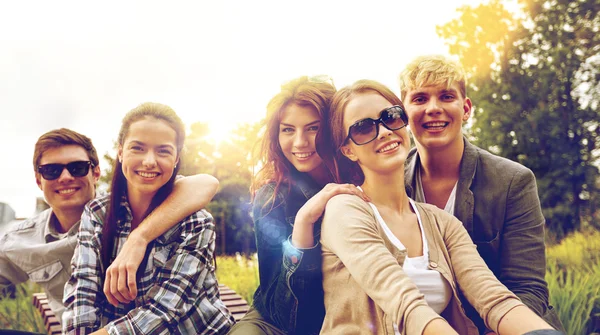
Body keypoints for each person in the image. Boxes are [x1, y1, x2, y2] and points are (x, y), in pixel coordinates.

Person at [320, 79, 559, 334]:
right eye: (363, 129)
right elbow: (406, 306)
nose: (384, 132)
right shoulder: (345, 209)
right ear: (348, 150)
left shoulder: (441, 223)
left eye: (390, 117)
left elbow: (494, 299)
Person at [398, 54, 564, 333]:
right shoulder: (391, 182)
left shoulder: (514, 181)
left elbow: (529, 289)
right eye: (420, 99)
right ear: (403, 113)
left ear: (466, 109)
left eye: (446, 96)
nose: (433, 108)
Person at [0, 127, 219, 327]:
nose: (65, 177)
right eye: (51, 171)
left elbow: (204, 184)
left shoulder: (128, 212)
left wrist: (138, 236)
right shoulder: (21, 239)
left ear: (96, 173)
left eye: (77, 168)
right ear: (39, 180)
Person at [63, 103, 234, 334]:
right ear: (121, 152)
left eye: (163, 151)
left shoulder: (196, 222)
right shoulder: (97, 213)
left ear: (176, 159)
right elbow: (82, 289)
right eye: (138, 148)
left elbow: (164, 311)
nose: (150, 161)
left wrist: (138, 238)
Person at [227, 76, 367, 335]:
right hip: (278, 319)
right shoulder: (272, 197)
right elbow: (282, 312)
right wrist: (304, 221)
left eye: (313, 128)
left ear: (334, 128)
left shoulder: (364, 175)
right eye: (288, 129)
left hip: (350, 318)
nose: (299, 142)